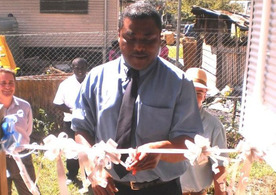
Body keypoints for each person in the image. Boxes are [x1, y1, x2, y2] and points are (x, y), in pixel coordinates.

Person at [72, 2, 203, 195]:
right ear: (119, 36)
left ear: (160, 39)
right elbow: (81, 131)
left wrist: (160, 149)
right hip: (105, 186)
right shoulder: (96, 78)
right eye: (130, 38)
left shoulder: (179, 83)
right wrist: (94, 168)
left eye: (149, 39)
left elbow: (189, 142)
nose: (139, 46)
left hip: (160, 188)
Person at [0, 67, 36, 195]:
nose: (8, 86)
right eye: (3, 83)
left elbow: (27, 131)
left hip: (22, 157)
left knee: (30, 191)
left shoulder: (25, 106)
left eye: (11, 82)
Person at [181, 68, 228, 195]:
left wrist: (220, 192)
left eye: (198, 93)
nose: (192, 97)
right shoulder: (170, 120)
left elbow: (220, 165)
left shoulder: (214, 126)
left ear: (205, 95)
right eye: (189, 91)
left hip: (197, 191)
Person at [53, 58, 88, 185]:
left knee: (87, 149)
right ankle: (72, 175)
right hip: (70, 121)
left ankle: (89, 176)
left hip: (88, 122)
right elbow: (57, 103)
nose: (80, 71)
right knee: (71, 148)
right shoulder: (65, 84)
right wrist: (72, 111)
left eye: (82, 68)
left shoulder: (92, 81)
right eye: (77, 68)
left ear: (86, 68)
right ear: (72, 69)